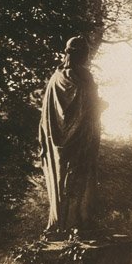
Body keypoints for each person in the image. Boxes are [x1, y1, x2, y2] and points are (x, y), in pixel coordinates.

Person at [38, 36, 102, 237]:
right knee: (75, 177)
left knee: (69, 178)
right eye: (84, 52)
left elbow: (56, 113)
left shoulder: (57, 78)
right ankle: (75, 223)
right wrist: (98, 106)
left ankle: (71, 222)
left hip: (68, 139)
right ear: (78, 54)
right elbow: (84, 106)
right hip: (76, 138)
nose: (86, 56)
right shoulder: (78, 77)